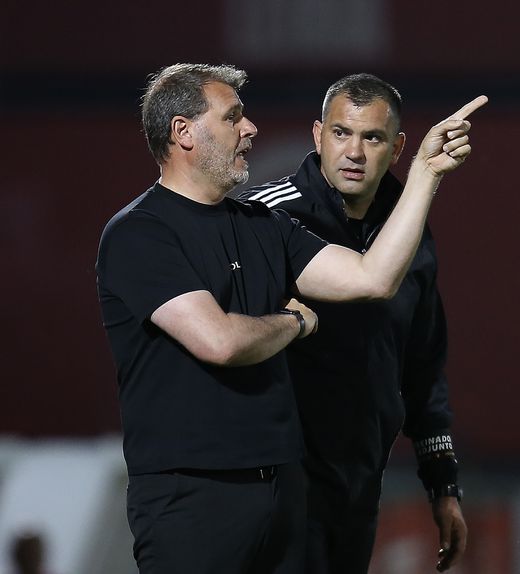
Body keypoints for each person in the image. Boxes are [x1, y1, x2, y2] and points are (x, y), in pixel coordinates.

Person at [95, 63, 486, 574]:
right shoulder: (140, 232)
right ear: (183, 132)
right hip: (191, 495)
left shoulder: (265, 226)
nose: (250, 127)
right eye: (233, 116)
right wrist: (294, 323)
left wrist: (426, 174)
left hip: (287, 490)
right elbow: (219, 341)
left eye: (372, 138)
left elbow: (374, 280)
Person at [240, 73, 466, 573]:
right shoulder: (262, 218)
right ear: (318, 135)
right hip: (274, 483)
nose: (355, 152)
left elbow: (423, 366)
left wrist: (443, 484)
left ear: (398, 147)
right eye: (342, 133)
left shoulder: (410, 234)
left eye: (373, 137)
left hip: (359, 485)